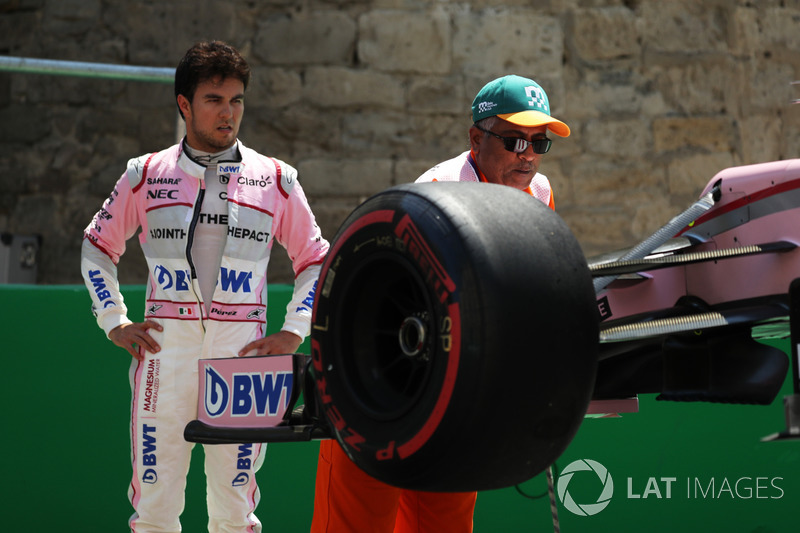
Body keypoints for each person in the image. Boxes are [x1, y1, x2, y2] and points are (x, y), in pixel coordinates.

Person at [81, 40, 329, 533]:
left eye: (236, 100)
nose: (228, 113)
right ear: (184, 105)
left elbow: (317, 260)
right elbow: (96, 248)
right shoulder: (145, 174)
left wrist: (295, 330)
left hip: (245, 357)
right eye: (214, 100)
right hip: (163, 354)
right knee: (153, 511)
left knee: (235, 512)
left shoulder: (276, 179)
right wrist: (114, 320)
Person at [310, 74, 570, 533]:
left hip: (448, 405)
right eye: (513, 140)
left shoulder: (539, 193)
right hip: (374, 394)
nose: (526, 154)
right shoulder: (436, 195)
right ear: (476, 137)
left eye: (538, 142)